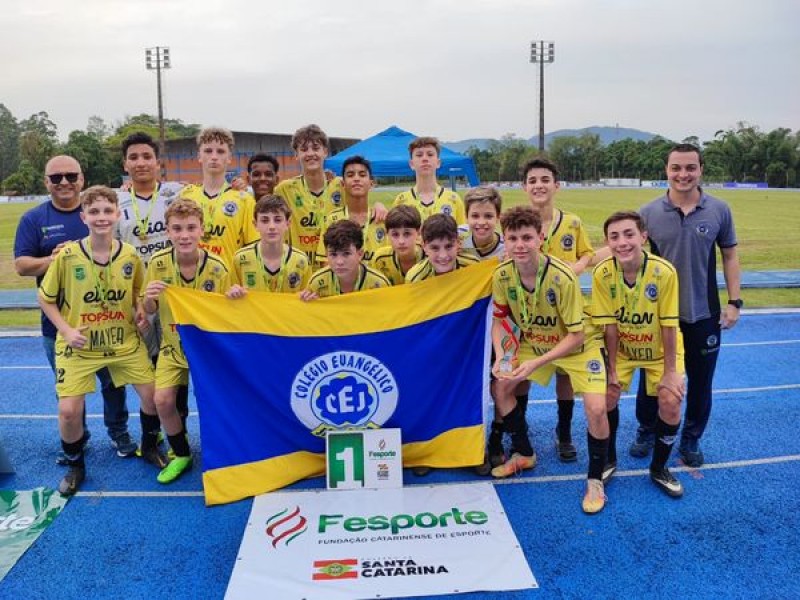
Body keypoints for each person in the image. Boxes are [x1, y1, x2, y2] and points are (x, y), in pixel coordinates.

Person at [38, 185, 160, 495]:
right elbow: (45, 299)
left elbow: (138, 293)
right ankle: (75, 464)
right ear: (84, 217)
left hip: (123, 342)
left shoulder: (130, 255)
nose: (102, 217)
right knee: (68, 410)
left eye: (107, 211)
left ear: (117, 214)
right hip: (79, 345)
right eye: (94, 212)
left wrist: (139, 311)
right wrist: (65, 331)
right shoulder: (66, 256)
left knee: (155, 397)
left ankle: (147, 446)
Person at [13, 155, 134, 462]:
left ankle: (118, 432)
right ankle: (77, 442)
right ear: (46, 182)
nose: (64, 182)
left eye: (70, 176)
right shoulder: (34, 219)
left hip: (108, 321)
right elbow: (21, 265)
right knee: (68, 393)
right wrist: (53, 260)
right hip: (59, 325)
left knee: (114, 384)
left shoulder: (101, 213)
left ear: (82, 178)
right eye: (56, 178)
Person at [490, 206, 609, 514]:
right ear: (504, 239)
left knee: (596, 408)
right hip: (536, 343)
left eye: (527, 237)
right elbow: (501, 320)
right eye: (513, 238)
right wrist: (504, 356)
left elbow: (576, 335)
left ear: (540, 238)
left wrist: (536, 364)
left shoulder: (562, 276)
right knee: (500, 388)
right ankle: (525, 453)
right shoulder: (502, 275)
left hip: (577, 346)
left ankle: (595, 479)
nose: (520, 245)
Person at [631, 143, 742, 468]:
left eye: (690, 167)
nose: (683, 174)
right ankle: (647, 429)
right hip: (656, 316)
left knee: (700, 379)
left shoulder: (719, 210)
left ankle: (691, 437)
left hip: (703, 313)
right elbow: (633, 260)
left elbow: (730, 256)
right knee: (652, 377)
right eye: (676, 168)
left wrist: (734, 301)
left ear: (700, 170)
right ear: (666, 170)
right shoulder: (648, 213)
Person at [593, 211, 685, 497]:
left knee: (670, 401)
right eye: (614, 236)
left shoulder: (664, 272)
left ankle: (659, 468)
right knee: (607, 395)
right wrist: (610, 371)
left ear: (643, 237)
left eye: (629, 234)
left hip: (661, 350)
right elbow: (609, 327)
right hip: (622, 349)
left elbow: (669, 325)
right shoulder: (602, 273)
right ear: (608, 242)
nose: (622, 242)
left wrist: (670, 372)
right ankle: (609, 458)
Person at [143, 199, 230, 483]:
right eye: (177, 228)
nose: (184, 235)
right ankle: (181, 454)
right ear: (167, 231)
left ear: (202, 230)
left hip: (206, 350)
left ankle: (225, 452)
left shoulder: (217, 268)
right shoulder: (157, 263)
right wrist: (148, 298)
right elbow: (149, 310)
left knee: (215, 402)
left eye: (191, 228)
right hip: (172, 347)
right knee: (162, 400)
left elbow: (227, 314)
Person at [115, 131, 191, 438]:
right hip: (140, 301)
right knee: (148, 373)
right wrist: (135, 303)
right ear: (125, 164)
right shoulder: (117, 201)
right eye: (134, 157)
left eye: (147, 156)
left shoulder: (176, 195)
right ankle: (151, 439)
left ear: (159, 162)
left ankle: (180, 435)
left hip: (175, 298)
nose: (141, 162)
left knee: (178, 368)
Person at [522, 157, 595, 464]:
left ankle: (563, 431)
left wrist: (574, 269)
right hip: (528, 313)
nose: (539, 185)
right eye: (533, 180)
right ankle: (519, 427)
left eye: (544, 179)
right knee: (521, 371)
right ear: (525, 187)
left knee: (565, 373)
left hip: (566, 311)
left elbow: (588, 254)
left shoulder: (573, 222)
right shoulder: (519, 222)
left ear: (556, 185)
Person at [179, 127, 259, 267]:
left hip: (228, 283)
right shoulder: (186, 195)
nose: (214, 156)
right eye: (208, 151)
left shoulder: (244, 199)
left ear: (229, 158)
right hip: (192, 283)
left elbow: (253, 249)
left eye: (220, 151)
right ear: (199, 156)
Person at [274, 124, 347, 264]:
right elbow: (263, 211)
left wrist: (379, 206)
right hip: (298, 269)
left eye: (315, 148)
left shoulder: (340, 186)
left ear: (325, 152)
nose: (310, 153)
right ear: (296, 155)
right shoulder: (284, 190)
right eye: (304, 149)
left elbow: (360, 212)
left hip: (334, 267)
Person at [227, 195, 311, 296]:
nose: (271, 226)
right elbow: (230, 303)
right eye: (265, 220)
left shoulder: (301, 261)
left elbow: (308, 303)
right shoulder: (240, 259)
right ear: (255, 224)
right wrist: (232, 294)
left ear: (288, 224)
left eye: (278, 220)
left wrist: (308, 297)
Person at [316, 156, 389, 265]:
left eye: (362, 175)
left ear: (371, 184)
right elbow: (325, 262)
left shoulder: (382, 219)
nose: (356, 178)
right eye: (350, 175)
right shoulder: (332, 220)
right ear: (343, 184)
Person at [300, 220, 390, 300]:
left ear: (360, 254)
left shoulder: (379, 284)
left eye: (346, 254)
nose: (339, 262)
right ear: (326, 255)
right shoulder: (316, 283)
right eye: (333, 254)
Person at [393, 137, 466, 225]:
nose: (425, 159)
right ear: (411, 164)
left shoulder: (453, 199)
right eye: (419, 155)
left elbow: (462, 235)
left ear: (438, 163)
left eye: (430, 154)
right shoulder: (401, 201)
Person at [405, 214, 479, 283]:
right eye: (435, 248)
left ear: (458, 243)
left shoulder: (473, 266)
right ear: (424, 247)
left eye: (449, 246)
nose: (443, 255)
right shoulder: (415, 279)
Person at [370, 205, 424, 285]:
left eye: (407, 234)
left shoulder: (428, 257)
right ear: (387, 234)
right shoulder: (380, 259)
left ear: (418, 232)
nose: (401, 241)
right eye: (395, 234)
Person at [458, 186, 505, 260]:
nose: (481, 222)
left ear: (498, 217)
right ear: (466, 217)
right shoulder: (457, 237)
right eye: (475, 216)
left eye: (488, 216)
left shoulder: (506, 248)